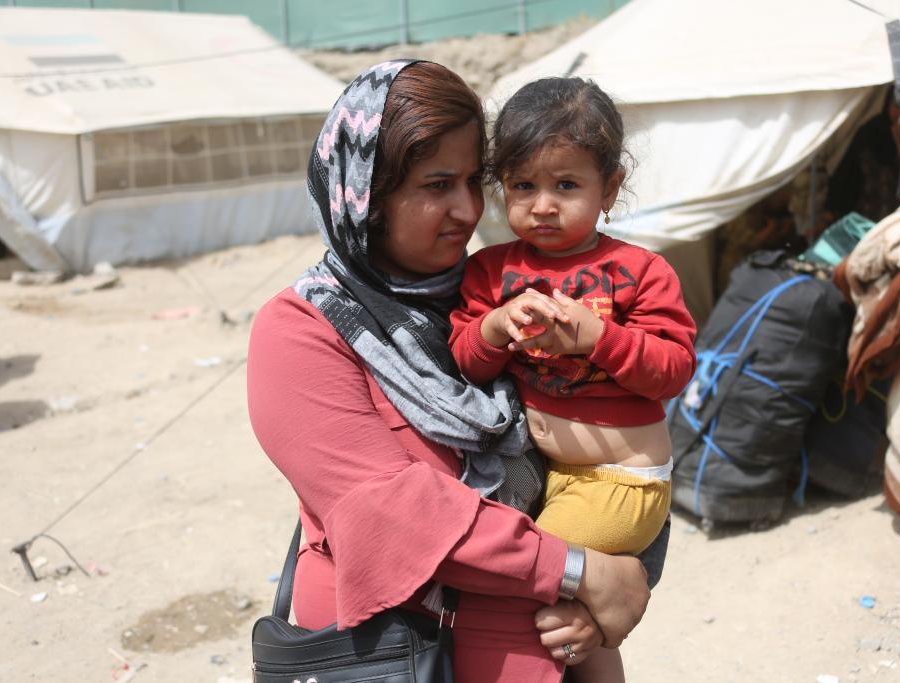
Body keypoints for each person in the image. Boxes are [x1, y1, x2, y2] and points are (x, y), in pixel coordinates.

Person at [246, 60, 653, 683]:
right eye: (437, 185)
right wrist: (579, 572)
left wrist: (610, 591)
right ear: (367, 194)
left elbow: (622, 450)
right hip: (400, 658)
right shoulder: (303, 331)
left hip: (553, 651)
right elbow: (393, 513)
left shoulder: (498, 297)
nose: (466, 209)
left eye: (472, 181)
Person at [449, 76, 697, 682]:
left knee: (532, 580)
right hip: (549, 475)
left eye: (566, 185)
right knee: (568, 607)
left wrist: (598, 338)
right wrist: (497, 327)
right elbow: (463, 358)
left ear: (608, 188)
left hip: (620, 482)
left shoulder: (639, 271)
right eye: (523, 185)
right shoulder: (488, 272)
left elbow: (671, 369)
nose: (542, 205)